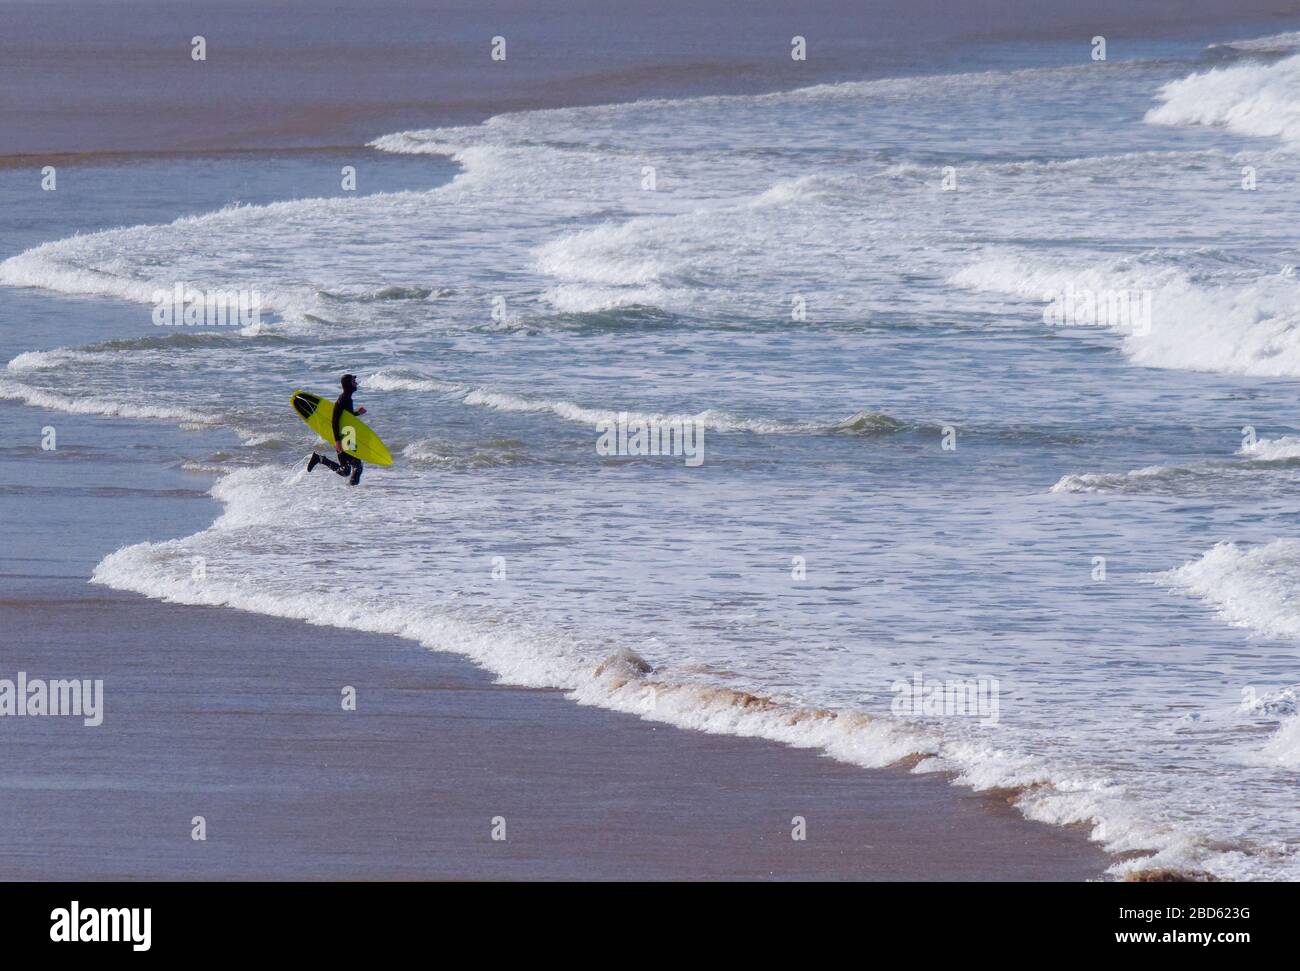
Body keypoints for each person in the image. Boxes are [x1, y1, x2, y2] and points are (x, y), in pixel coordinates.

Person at [307, 373, 366, 485]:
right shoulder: (344, 399)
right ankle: (354, 497)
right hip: (345, 436)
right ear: (348, 384)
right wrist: (337, 441)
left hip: (348, 434)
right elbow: (335, 420)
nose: (356, 383)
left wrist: (357, 413)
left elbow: (345, 418)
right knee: (356, 467)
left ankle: (319, 459)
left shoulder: (347, 399)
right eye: (354, 381)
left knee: (346, 470)